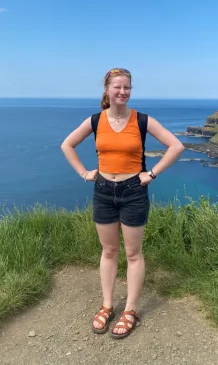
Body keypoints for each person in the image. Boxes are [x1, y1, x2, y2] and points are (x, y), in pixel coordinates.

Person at [61, 68, 184, 339]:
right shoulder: (96, 120)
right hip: (103, 189)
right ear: (106, 90)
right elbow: (67, 145)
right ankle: (107, 305)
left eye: (127, 87)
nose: (122, 92)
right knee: (108, 251)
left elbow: (176, 146)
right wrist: (84, 173)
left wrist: (151, 173)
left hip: (133, 190)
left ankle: (129, 310)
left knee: (133, 253)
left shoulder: (141, 120)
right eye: (117, 87)